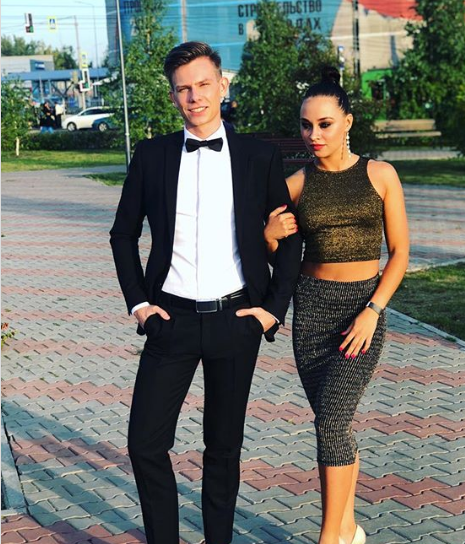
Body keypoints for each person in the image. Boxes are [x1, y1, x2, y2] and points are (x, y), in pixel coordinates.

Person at [109, 41, 302, 544]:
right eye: (183, 89)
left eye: (202, 84)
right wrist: (139, 303)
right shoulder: (152, 155)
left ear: (222, 85)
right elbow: (122, 234)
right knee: (144, 443)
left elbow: (289, 237)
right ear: (173, 95)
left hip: (235, 321)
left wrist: (272, 311)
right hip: (168, 321)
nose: (194, 97)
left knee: (223, 449)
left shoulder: (259, 156)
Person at [263, 67, 409, 544]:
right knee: (335, 425)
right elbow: (271, 251)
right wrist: (269, 236)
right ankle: (348, 529)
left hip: (361, 312)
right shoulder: (297, 184)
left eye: (324, 124)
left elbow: (400, 253)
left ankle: (329, 538)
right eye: (306, 125)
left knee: (330, 420)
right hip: (312, 313)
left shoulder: (380, 175)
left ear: (347, 121)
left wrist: (373, 311)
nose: (314, 135)